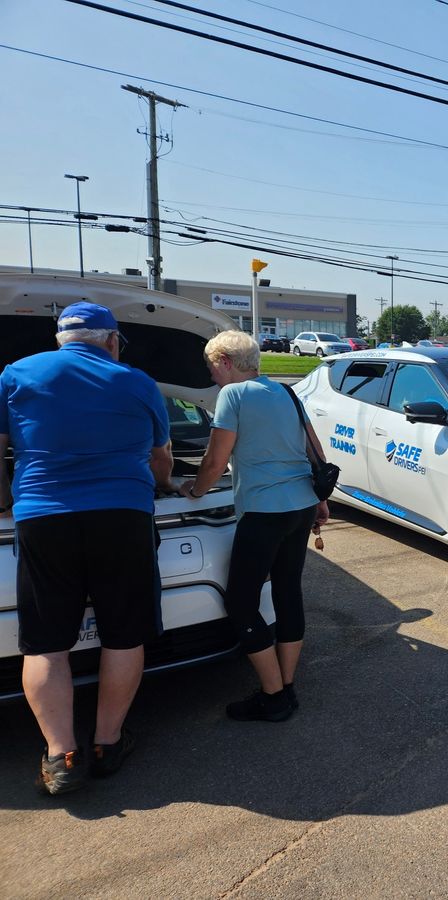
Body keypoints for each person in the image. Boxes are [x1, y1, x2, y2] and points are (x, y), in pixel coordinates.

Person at [0, 302, 172, 794]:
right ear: (112, 341)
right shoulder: (137, 382)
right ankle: (107, 743)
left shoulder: (16, 374)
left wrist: (3, 501)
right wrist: (166, 484)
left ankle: (61, 757)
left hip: (42, 516)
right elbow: (161, 457)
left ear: (60, 340)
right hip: (122, 515)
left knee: (46, 641)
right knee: (123, 633)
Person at [180, 331, 329, 723]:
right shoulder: (286, 393)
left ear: (226, 361)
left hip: (264, 510)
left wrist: (192, 490)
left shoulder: (232, 395)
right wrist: (321, 501)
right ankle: (288, 683)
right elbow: (315, 450)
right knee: (287, 591)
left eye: (212, 367)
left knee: (240, 603)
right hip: (300, 505)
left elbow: (215, 461)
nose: (211, 376)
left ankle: (273, 695)